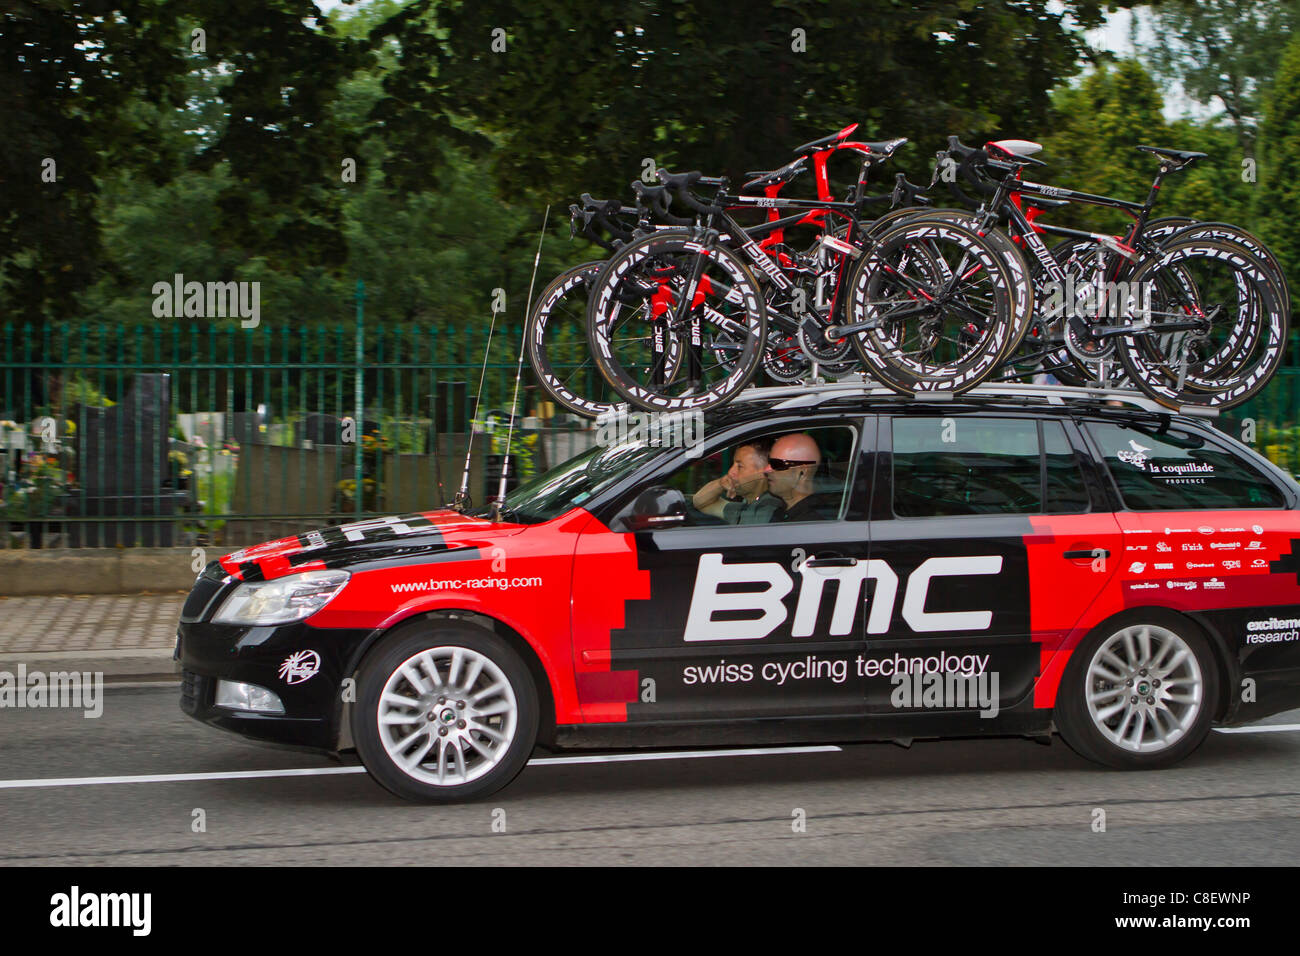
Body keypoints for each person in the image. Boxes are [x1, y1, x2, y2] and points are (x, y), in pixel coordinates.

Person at [692, 440, 780, 525]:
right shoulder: (747, 506)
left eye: (740, 466)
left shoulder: (770, 509)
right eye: (733, 464)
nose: (730, 472)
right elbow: (700, 502)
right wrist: (720, 484)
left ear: (763, 473)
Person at [765, 432, 827, 522]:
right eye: (768, 461)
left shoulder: (812, 522)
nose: (766, 469)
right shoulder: (781, 512)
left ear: (802, 472)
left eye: (776, 464)